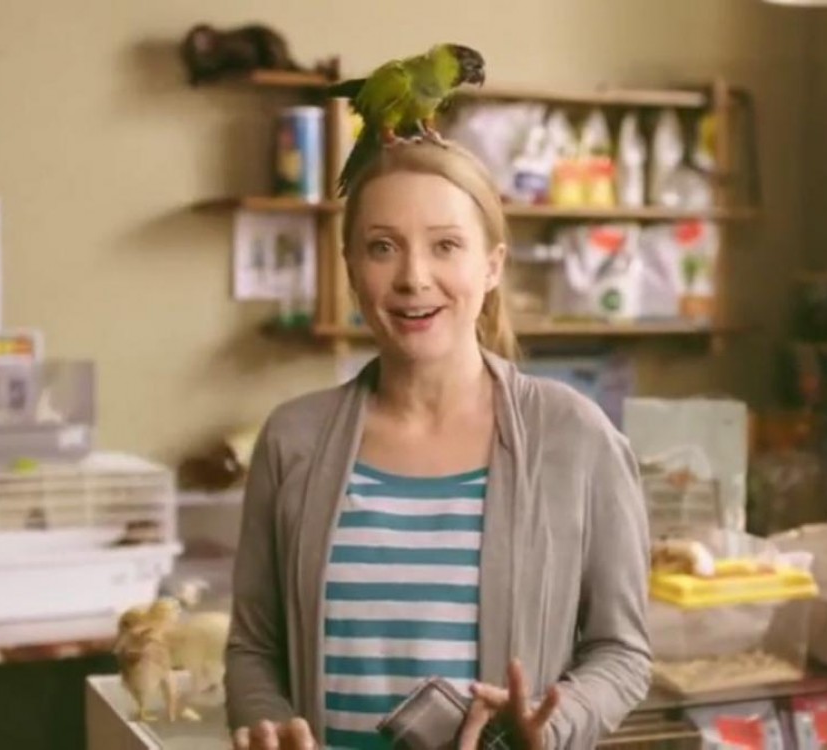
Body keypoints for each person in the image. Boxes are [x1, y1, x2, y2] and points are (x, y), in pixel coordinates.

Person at [225, 140, 652, 750]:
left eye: (446, 245)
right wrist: (269, 728)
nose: (413, 278)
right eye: (383, 247)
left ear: (492, 265)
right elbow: (253, 649)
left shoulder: (576, 436)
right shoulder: (292, 440)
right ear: (351, 268)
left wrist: (553, 725)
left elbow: (621, 652)